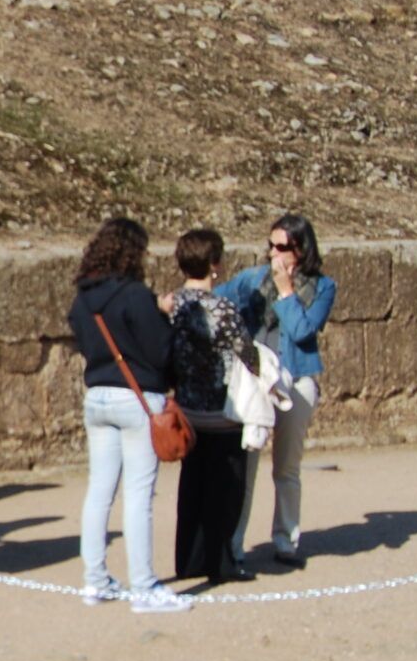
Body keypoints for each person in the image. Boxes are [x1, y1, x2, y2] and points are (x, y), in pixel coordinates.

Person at [67, 217, 191, 615]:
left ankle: (95, 579)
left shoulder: (81, 299)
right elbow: (160, 351)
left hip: (98, 394)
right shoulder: (136, 295)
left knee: (99, 490)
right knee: (139, 493)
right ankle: (143, 585)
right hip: (137, 397)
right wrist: (166, 317)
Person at [218, 212, 334, 569]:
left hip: (297, 378)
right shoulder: (253, 279)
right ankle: (233, 546)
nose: (274, 253)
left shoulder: (323, 287)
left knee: (286, 467)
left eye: (282, 246)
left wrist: (286, 292)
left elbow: (302, 331)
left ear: (301, 248)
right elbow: (218, 298)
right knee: (246, 462)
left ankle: (286, 540)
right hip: (258, 379)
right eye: (270, 245)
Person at [167, 230, 253, 585]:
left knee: (192, 488)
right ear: (214, 265)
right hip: (222, 411)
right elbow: (245, 351)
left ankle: (189, 559)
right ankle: (222, 563)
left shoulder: (172, 306)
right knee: (226, 488)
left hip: (187, 409)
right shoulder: (223, 308)